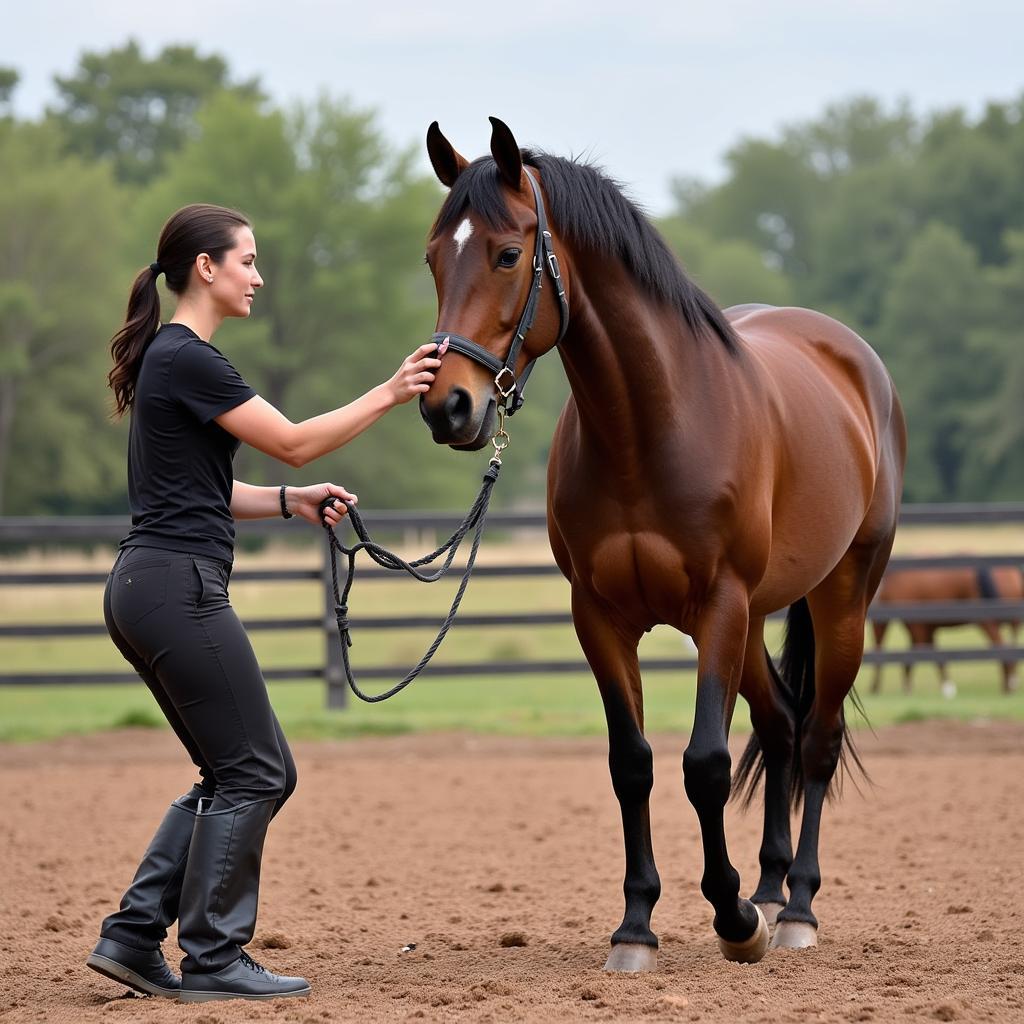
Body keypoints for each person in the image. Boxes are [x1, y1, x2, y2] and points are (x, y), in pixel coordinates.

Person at [86, 203, 441, 1003]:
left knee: (232, 768)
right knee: (257, 771)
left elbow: (209, 490)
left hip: (149, 587)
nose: (257, 274)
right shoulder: (190, 358)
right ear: (205, 268)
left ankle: (135, 936)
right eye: (246, 259)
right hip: (177, 589)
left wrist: (289, 501)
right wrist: (389, 392)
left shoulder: (170, 359)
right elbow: (295, 436)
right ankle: (213, 956)